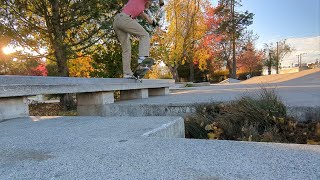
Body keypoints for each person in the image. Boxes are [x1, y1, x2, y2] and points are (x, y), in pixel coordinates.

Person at [113, 0, 164, 78]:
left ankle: (127, 73)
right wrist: (161, 2)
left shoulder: (141, 10)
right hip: (124, 18)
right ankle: (143, 58)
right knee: (145, 35)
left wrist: (155, 23)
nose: (149, 5)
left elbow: (148, 19)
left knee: (126, 49)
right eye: (150, 3)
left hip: (117, 21)